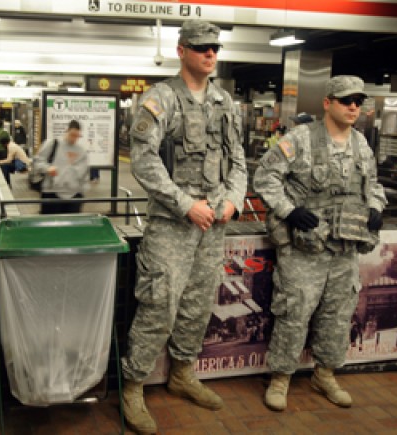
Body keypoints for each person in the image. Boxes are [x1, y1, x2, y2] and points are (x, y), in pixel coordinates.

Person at [121, 20, 247, 434]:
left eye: (214, 48)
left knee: (198, 303)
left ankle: (182, 373)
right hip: (172, 224)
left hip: (213, 224)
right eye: (200, 48)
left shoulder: (224, 102)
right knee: (159, 303)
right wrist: (184, 204)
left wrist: (233, 199)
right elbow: (144, 161)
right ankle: (133, 385)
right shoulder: (160, 99)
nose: (210, 54)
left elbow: (239, 160)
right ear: (181, 51)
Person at [253, 75, 387, 412]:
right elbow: (264, 177)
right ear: (327, 103)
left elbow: (373, 184)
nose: (354, 106)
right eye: (346, 100)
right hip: (304, 248)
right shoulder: (299, 139)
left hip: (345, 247)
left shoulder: (361, 144)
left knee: (338, 315)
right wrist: (289, 210)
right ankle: (281, 377)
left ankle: (324, 373)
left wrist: (375, 207)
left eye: (358, 100)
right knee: (294, 312)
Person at [33, 120, 89, 214]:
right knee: (51, 225)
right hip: (51, 192)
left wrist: (83, 191)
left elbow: (84, 173)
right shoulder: (52, 144)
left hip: (74, 194)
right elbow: (37, 161)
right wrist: (47, 168)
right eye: (72, 135)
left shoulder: (81, 151)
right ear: (66, 131)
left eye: (77, 136)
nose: (74, 138)